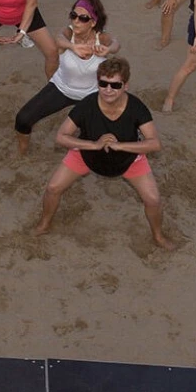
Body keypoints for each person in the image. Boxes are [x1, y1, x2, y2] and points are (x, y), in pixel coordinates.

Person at [34, 56, 173, 250]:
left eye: (115, 85)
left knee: (153, 199)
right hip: (87, 155)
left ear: (125, 86)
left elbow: (154, 143)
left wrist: (121, 146)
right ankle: (44, 224)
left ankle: (158, 236)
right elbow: (61, 137)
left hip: (128, 159)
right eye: (103, 84)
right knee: (53, 188)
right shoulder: (87, 105)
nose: (108, 90)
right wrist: (94, 144)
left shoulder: (136, 107)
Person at [16, 0, 119, 154]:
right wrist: (73, 46)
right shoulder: (68, 33)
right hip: (61, 88)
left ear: (93, 22)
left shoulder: (101, 37)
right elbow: (58, 40)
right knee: (23, 119)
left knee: (105, 138)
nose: (76, 21)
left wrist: (108, 49)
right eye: (73, 15)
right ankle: (22, 152)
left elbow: (116, 44)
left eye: (83, 18)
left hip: (91, 96)